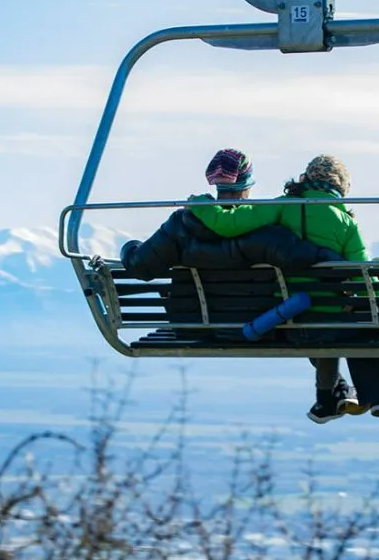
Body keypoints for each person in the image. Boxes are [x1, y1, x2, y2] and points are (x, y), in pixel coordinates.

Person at [117, 148, 364, 418]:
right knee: (313, 311)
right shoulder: (265, 229)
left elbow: (141, 266)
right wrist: (334, 261)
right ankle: (334, 392)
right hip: (261, 326)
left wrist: (129, 248)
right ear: (247, 185)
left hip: (195, 326)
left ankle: (335, 392)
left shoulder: (179, 226)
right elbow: (308, 258)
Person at [187, 154, 379, 423]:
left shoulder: (279, 208)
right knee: (369, 314)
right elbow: (362, 280)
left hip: (289, 320)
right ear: (341, 186)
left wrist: (200, 203)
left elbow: (227, 224)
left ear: (305, 179)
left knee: (322, 320)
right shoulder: (345, 223)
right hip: (333, 323)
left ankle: (331, 399)